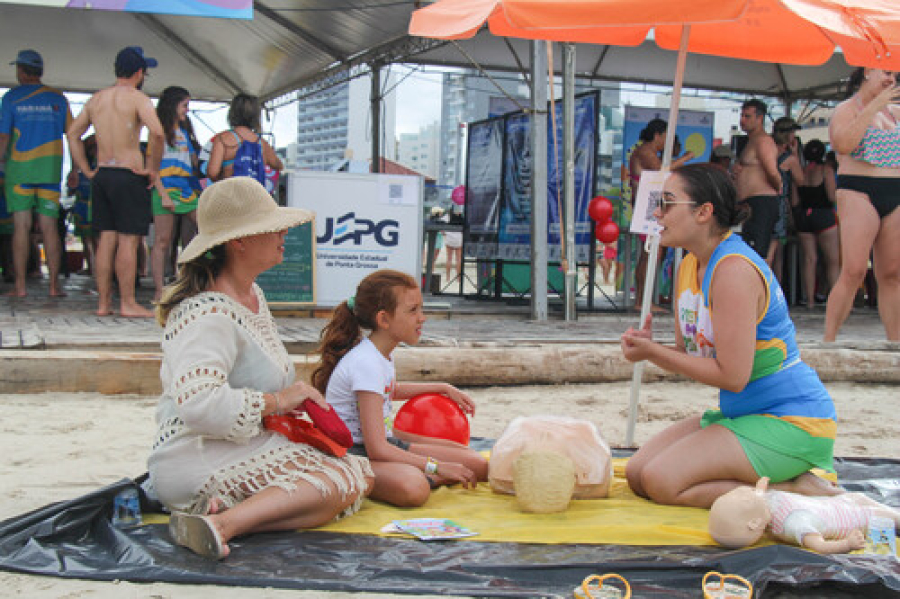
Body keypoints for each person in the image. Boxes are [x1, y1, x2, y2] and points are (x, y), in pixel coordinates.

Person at [149, 177, 373, 560]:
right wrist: (280, 400)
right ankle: (224, 524)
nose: (283, 233)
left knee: (357, 473)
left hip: (240, 444)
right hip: (197, 454)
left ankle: (225, 518)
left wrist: (289, 401)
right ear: (240, 240)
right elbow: (199, 406)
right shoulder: (207, 312)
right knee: (339, 479)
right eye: (272, 227)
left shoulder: (253, 297)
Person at [620, 163, 837, 509]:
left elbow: (733, 377)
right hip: (746, 414)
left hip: (792, 421)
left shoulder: (733, 269)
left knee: (661, 481)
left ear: (704, 212)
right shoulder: (690, 263)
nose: (657, 213)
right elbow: (687, 352)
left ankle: (794, 491)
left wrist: (652, 353)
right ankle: (780, 482)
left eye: (667, 203)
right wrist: (650, 348)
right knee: (638, 473)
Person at [311, 269, 488, 507]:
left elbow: (387, 391)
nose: (422, 317)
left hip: (383, 443)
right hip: (355, 454)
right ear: (384, 319)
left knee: (477, 464)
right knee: (414, 488)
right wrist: (436, 466)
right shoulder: (366, 362)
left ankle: (428, 474)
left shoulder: (379, 353)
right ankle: (427, 476)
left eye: (421, 309)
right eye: (413, 310)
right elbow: (377, 450)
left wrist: (442, 387)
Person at [67, 46, 164, 318]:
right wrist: (152, 169)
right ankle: (128, 302)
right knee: (128, 241)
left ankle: (103, 304)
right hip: (128, 173)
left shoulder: (97, 100)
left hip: (103, 175)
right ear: (139, 72)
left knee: (106, 240)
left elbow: (73, 133)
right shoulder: (137, 98)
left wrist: (86, 168)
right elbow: (157, 133)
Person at [825, 67, 900, 342]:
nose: (891, 79)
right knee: (854, 270)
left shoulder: (895, 111)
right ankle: (829, 340)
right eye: (887, 72)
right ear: (868, 71)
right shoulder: (847, 108)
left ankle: (896, 343)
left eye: (895, 74)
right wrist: (873, 107)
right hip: (858, 189)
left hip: (895, 188)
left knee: (891, 274)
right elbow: (843, 144)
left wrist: (884, 106)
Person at [0, 49, 76, 297]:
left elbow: (3, 137)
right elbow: (73, 135)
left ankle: (20, 287)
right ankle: (54, 286)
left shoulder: (11, 98)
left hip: (19, 170)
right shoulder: (58, 98)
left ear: (21, 71)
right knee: (49, 227)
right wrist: (76, 169)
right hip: (50, 170)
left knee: (21, 227)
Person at [709, 476, 900, 554]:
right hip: (859, 518)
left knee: (867, 500)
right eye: (747, 497)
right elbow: (820, 545)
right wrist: (846, 544)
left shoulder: (765, 507)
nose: (746, 491)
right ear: (754, 522)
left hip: (841, 503)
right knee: (891, 517)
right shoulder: (793, 523)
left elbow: (762, 490)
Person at [628, 118, 694, 309]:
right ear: (658, 135)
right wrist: (685, 159)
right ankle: (642, 301)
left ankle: (644, 300)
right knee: (650, 253)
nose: (668, 142)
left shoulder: (649, 151)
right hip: (645, 206)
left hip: (648, 204)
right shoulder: (645, 151)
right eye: (666, 137)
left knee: (653, 253)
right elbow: (660, 171)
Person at [150, 86, 202, 301]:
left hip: (186, 190)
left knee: (205, 227)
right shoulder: (158, 131)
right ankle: (159, 289)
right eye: (184, 105)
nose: (187, 111)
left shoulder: (184, 131)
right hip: (165, 188)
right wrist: (163, 194)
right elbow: (151, 167)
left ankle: (191, 281)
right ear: (173, 106)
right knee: (163, 241)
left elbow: (193, 162)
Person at [795, 139, 840, 310]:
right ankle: (836, 301)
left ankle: (810, 302)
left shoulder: (801, 171)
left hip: (804, 216)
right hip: (823, 215)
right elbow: (831, 196)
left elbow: (795, 199)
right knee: (832, 261)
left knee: (809, 260)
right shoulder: (826, 170)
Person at [735, 99, 783, 258]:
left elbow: (772, 171)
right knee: (748, 250)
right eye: (741, 115)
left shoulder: (763, 140)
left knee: (756, 254)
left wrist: (778, 187)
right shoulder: (751, 141)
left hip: (762, 201)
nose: (742, 120)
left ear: (759, 118)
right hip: (750, 203)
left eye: (747, 116)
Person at [206, 93, 282, 184]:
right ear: (255, 116)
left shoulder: (222, 139)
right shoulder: (263, 144)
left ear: (232, 113)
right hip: (254, 195)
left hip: (230, 194)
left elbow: (212, 173)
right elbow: (278, 165)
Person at [768, 117, 805, 279]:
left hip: (763, 201)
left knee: (765, 248)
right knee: (775, 253)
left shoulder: (766, 150)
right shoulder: (789, 159)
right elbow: (801, 180)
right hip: (779, 205)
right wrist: (796, 153)